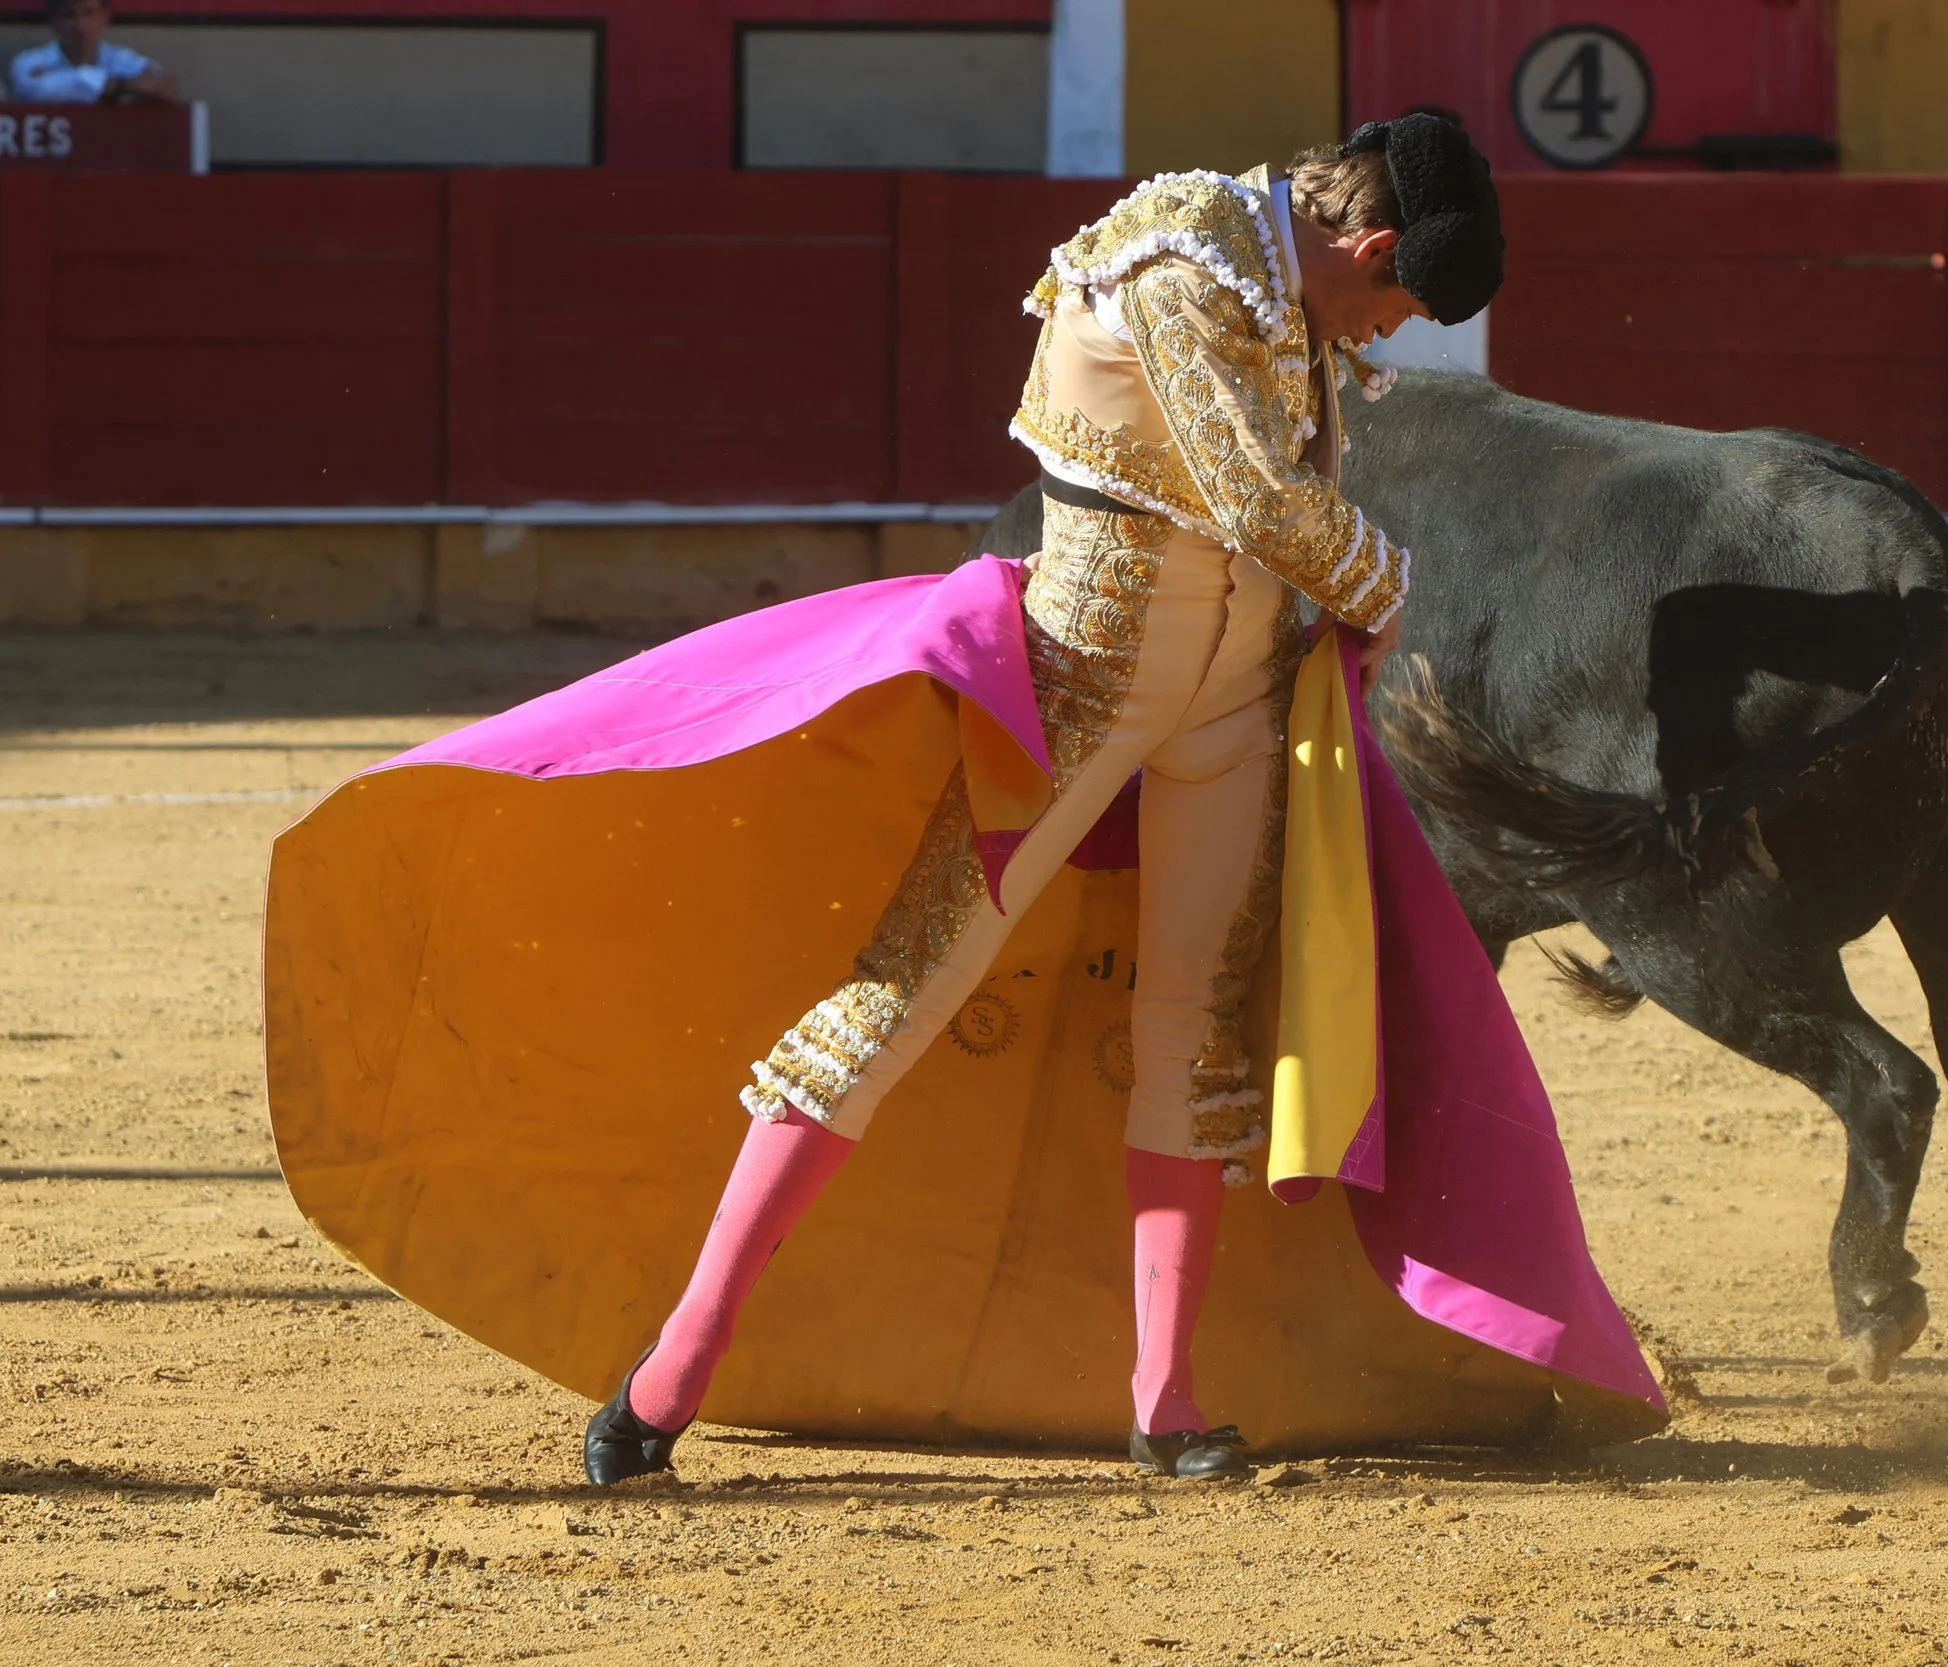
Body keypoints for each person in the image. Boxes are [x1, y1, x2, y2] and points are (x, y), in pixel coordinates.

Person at [579, 113, 1508, 1484]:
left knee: (1196, 1038)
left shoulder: (1295, 301)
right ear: (1370, 246)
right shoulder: (1183, 256)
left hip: (1237, 699)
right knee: (904, 985)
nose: (1379, 336)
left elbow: (1284, 499)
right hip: (1077, 685)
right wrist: (1403, 592)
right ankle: (672, 1370)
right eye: (1395, 304)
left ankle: (1170, 1398)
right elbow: (1254, 489)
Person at [9, 0, 179, 105]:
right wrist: (124, 88)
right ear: (53, 21)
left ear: (104, 17)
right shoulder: (28, 62)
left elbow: (165, 87)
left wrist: (113, 86)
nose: (80, 26)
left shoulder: (119, 58)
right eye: (70, 15)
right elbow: (41, 91)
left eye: (89, 13)